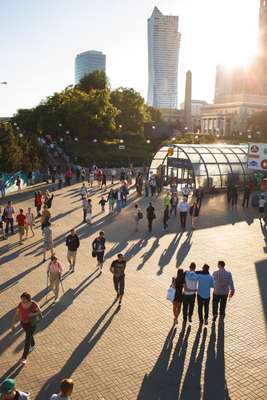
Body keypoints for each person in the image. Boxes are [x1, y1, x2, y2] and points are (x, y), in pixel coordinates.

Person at [11, 292, 41, 365]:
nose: (23, 301)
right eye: (22, 299)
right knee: (29, 335)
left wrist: (32, 314)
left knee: (27, 339)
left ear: (28, 299)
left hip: (32, 324)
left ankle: (24, 358)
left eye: (24, 299)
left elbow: (39, 312)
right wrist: (13, 324)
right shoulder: (20, 304)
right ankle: (33, 344)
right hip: (23, 323)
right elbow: (16, 314)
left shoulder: (34, 304)